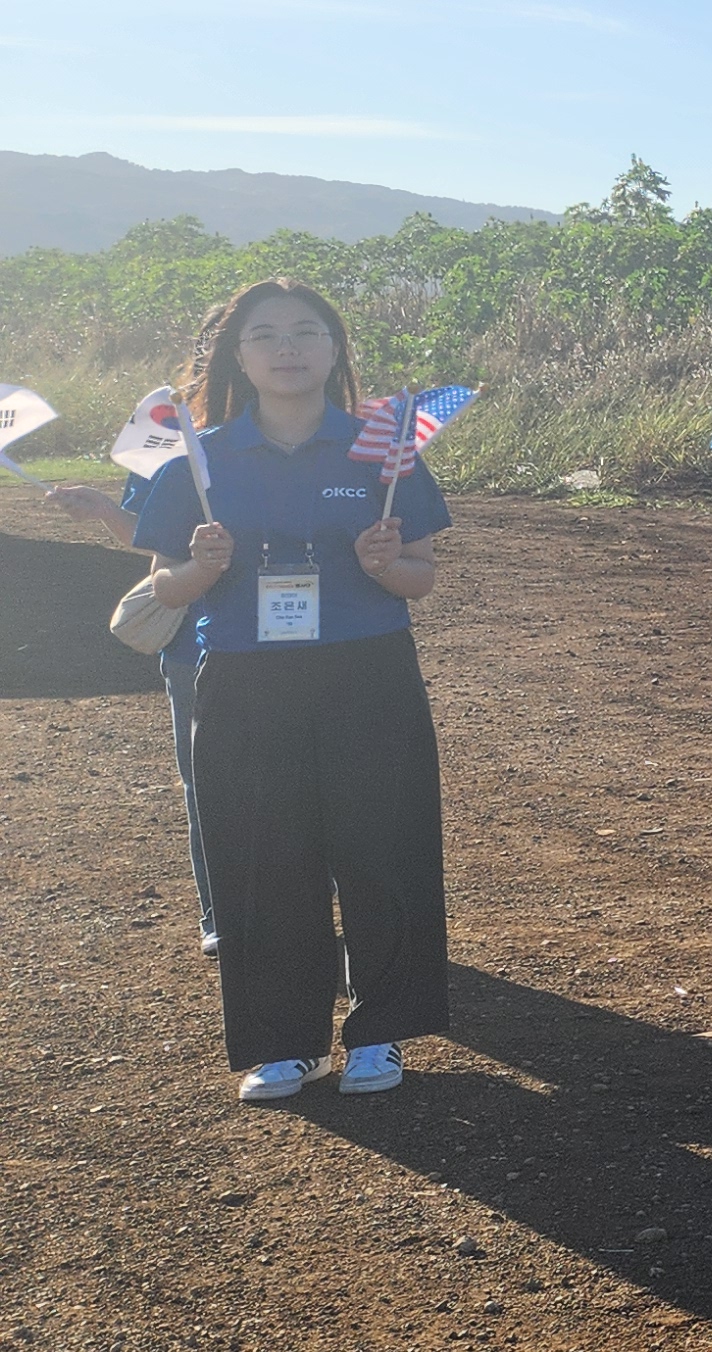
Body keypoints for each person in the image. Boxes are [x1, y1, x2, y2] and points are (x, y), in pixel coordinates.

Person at [127, 279, 453, 1102]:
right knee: (262, 857)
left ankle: (381, 1029)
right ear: (237, 354)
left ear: (334, 348)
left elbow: (423, 578)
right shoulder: (196, 460)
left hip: (367, 671)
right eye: (266, 334)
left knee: (383, 848)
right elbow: (164, 589)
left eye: (305, 332)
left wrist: (388, 565)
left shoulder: (381, 451)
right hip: (244, 679)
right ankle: (285, 1041)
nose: (287, 348)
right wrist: (201, 567)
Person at [44, 474, 223, 955]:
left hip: (292, 647)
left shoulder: (296, 437)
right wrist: (105, 508)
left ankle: (298, 895)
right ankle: (220, 911)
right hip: (194, 646)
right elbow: (152, 540)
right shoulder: (167, 453)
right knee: (205, 783)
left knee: (299, 777)